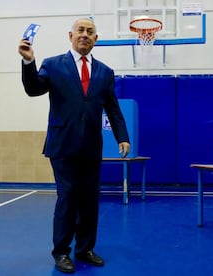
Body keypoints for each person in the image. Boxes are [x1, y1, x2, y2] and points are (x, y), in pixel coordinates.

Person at [18, 18, 130, 274]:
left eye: (90, 32)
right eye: (80, 31)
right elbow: (33, 89)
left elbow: (113, 108)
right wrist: (28, 61)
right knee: (68, 198)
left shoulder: (105, 72)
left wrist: (122, 136)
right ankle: (61, 252)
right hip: (63, 145)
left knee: (90, 200)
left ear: (96, 39)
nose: (85, 35)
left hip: (91, 147)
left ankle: (85, 249)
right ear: (70, 35)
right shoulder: (53, 65)